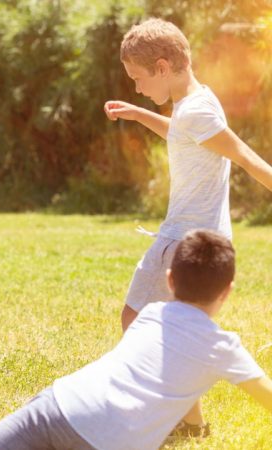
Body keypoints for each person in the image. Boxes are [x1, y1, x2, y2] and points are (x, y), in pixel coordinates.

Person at [0, 229, 272, 450]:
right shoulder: (223, 346)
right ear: (228, 292)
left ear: (169, 280)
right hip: (109, 440)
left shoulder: (150, 315)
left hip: (59, 405)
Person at [104, 17, 272, 435]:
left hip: (185, 238)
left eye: (140, 79)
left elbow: (247, 158)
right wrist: (139, 113)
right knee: (167, 325)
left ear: (162, 67)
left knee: (135, 319)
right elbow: (183, 135)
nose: (139, 87)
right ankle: (190, 422)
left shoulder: (196, 110)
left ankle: (170, 416)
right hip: (190, 234)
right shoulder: (193, 102)